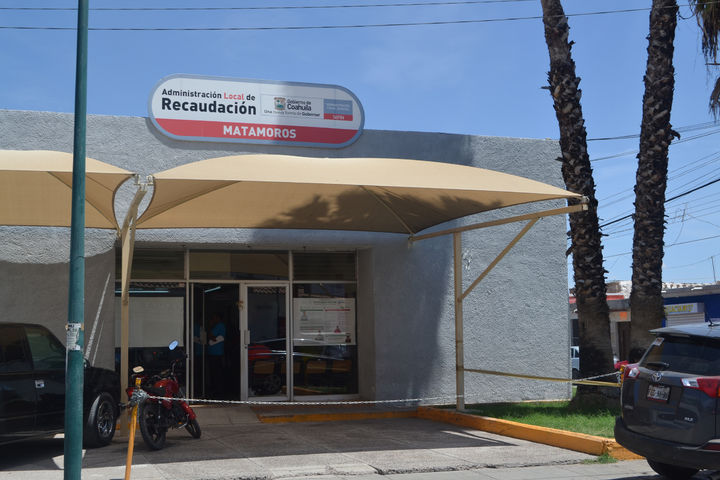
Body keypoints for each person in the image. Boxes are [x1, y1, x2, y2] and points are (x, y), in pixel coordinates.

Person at [206, 313, 226, 398]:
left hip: (216, 354)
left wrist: (210, 328)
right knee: (215, 373)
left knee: (216, 373)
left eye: (214, 317)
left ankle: (218, 392)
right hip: (214, 353)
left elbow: (212, 337)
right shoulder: (218, 326)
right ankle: (216, 390)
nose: (213, 319)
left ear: (218, 318)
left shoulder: (219, 326)